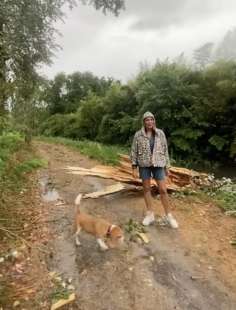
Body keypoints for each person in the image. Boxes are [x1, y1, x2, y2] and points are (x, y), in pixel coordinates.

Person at [130, 111, 178, 228]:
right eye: (147, 120)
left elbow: (165, 150)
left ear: (154, 121)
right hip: (144, 165)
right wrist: (134, 167)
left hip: (159, 164)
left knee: (163, 189)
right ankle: (150, 214)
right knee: (146, 189)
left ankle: (168, 216)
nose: (149, 122)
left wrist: (167, 166)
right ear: (144, 122)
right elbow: (134, 151)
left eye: (151, 119)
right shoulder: (138, 135)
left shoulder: (160, 133)